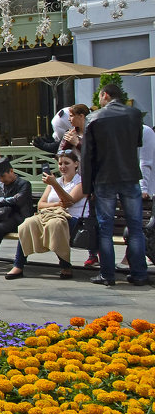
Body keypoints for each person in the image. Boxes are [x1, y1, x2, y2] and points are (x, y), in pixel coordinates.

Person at [81, 83, 149, 286]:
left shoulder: (94, 118)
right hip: (129, 176)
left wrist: (87, 187)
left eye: (100, 97)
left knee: (105, 228)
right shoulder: (135, 114)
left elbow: (87, 156)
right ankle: (139, 274)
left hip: (104, 177)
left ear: (105, 95)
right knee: (136, 227)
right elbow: (138, 142)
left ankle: (107, 274)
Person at [6, 148, 87, 280]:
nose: (62, 167)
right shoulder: (55, 181)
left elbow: (69, 202)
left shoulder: (80, 182)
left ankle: (65, 264)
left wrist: (55, 185)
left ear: (76, 164)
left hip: (73, 218)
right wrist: (56, 203)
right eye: (60, 164)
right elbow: (41, 204)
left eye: (67, 163)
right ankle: (18, 265)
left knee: (55, 225)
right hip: (49, 214)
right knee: (27, 224)